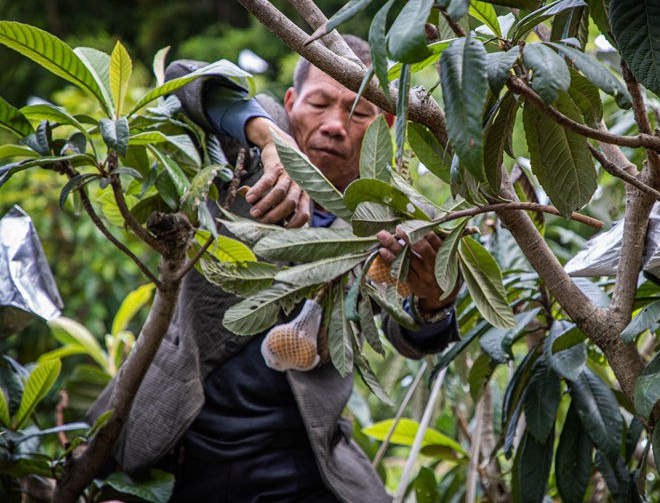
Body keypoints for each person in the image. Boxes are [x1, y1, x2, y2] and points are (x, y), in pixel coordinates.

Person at [88, 36, 459, 502]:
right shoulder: (250, 135)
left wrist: (432, 300)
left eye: (358, 113)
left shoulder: (386, 210)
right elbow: (184, 78)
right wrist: (268, 139)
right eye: (319, 102)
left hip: (300, 452)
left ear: (383, 125)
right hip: (178, 436)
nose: (334, 126)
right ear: (290, 102)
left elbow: (411, 337)